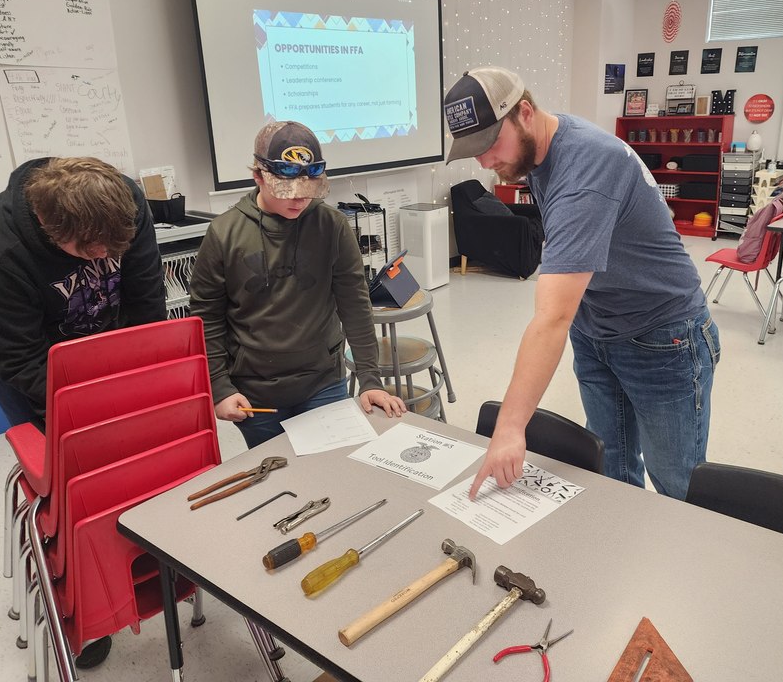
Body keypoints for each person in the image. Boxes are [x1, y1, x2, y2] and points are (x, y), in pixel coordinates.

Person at [444, 66, 720, 501]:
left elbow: (552, 316)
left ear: (525, 113)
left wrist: (511, 429)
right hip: (598, 329)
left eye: (491, 143)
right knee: (610, 471)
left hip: (663, 335)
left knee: (677, 488)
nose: (485, 162)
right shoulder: (540, 151)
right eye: (474, 150)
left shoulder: (586, 170)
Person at [0, 155, 166, 668]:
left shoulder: (129, 204)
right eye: (88, 249)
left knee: (133, 467)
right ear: (49, 226)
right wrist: (91, 417)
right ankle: (81, 614)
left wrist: (140, 390)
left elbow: (146, 305)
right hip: (29, 365)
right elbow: (20, 361)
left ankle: (141, 571)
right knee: (67, 492)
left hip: (104, 345)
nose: (103, 256)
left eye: (112, 248)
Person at [189, 120, 406, 448]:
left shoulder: (332, 226)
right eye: (287, 191)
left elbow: (355, 305)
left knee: (330, 471)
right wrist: (220, 387)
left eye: (308, 191)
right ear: (258, 176)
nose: (299, 201)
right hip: (254, 391)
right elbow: (208, 319)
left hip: (322, 382)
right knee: (276, 480)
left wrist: (370, 379)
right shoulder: (224, 234)